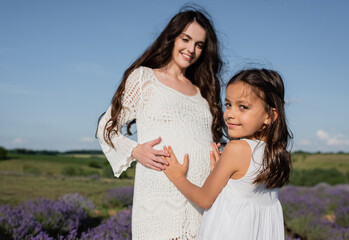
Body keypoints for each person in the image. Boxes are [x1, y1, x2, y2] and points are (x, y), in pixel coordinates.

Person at [96, 8, 223, 240]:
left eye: (199, 45)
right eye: (186, 39)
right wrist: (134, 150)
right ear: (172, 37)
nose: (191, 49)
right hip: (160, 201)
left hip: (201, 205)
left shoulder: (203, 93)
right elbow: (106, 127)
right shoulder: (144, 78)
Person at [162, 68, 292, 240]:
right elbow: (244, 193)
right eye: (228, 104)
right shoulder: (277, 155)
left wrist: (178, 177)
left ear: (269, 115)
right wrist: (221, 173)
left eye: (243, 107)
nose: (230, 114)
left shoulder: (236, 149)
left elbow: (204, 200)